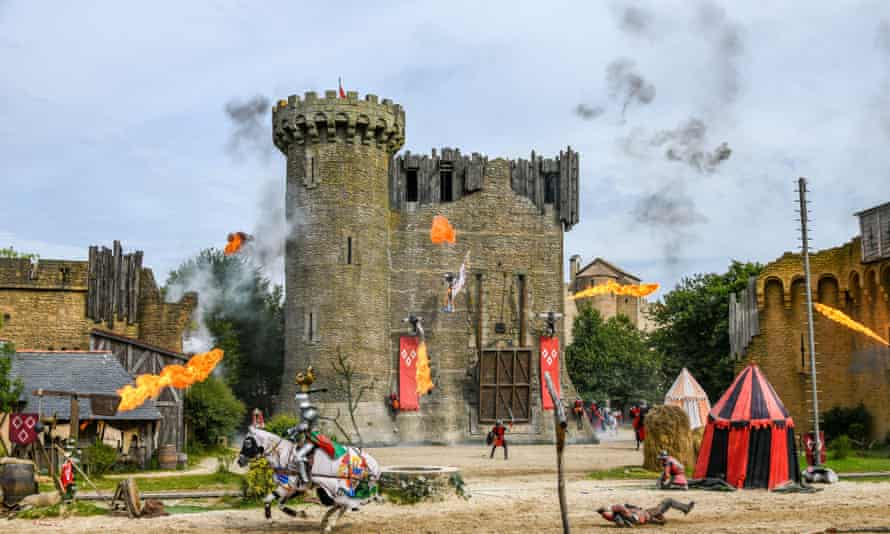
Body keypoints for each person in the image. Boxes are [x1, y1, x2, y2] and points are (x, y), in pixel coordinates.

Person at [597, 499, 694, 527]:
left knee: (661, 518)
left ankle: (659, 520)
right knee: (668, 501)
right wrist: (609, 507)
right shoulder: (622, 513)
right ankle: (686, 508)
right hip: (647, 514)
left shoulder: (619, 518)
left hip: (646, 516)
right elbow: (618, 507)